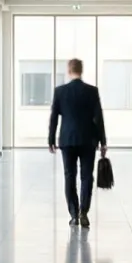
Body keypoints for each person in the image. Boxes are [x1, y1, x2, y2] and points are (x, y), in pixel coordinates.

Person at [47, 57, 108, 228]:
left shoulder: (60, 91)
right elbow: (99, 118)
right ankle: (84, 212)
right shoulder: (92, 91)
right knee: (87, 176)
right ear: (81, 70)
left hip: (67, 140)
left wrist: (51, 139)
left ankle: (73, 214)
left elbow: (54, 118)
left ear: (69, 70)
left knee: (69, 176)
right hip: (88, 140)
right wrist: (103, 142)